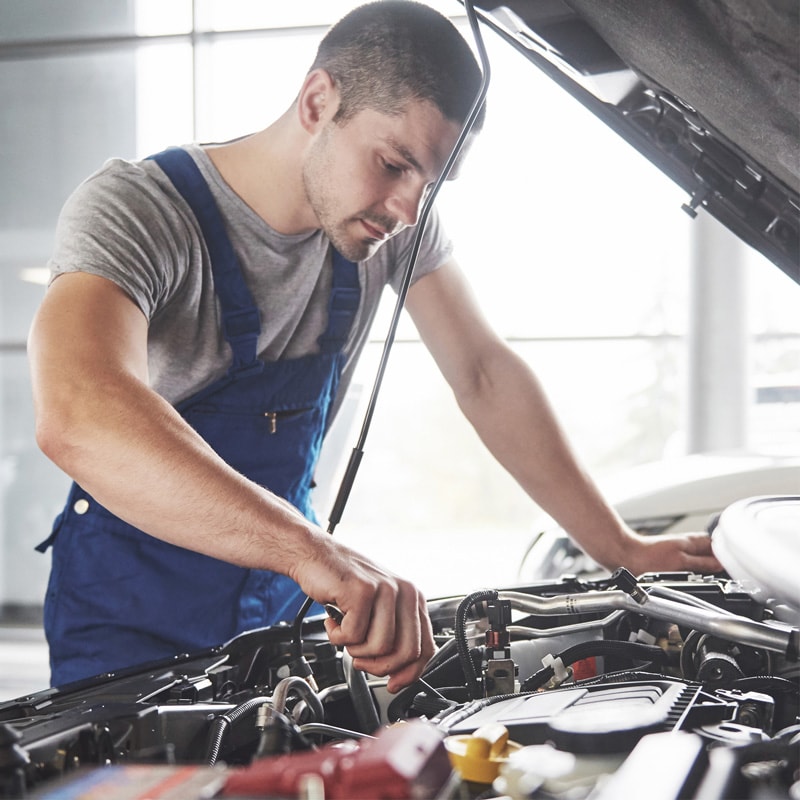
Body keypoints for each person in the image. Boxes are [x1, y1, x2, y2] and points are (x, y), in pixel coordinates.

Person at [28, 0, 721, 690]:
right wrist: (311, 550)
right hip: (125, 614)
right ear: (318, 100)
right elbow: (79, 412)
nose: (409, 211)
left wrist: (620, 548)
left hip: (273, 607)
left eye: (431, 183)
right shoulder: (139, 210)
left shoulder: (383, 230)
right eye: (394, 163)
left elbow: (484, 373)